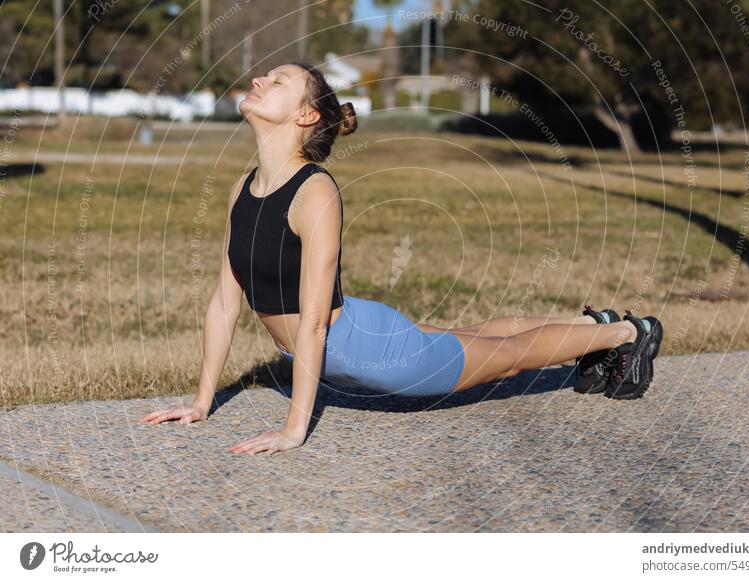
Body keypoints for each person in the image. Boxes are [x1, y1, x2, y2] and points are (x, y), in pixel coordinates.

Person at [138, 62, 664, 455]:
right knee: (482, 335)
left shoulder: (315, 192)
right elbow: (224, 304)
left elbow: (315, 320)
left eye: (277, 82)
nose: (259, 82)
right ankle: (591, 324)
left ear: (305, 115)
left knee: (510, 355)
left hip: (374, 355)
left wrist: (294, 429)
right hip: (360, 330)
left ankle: (627, 335)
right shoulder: (243, 188)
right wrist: (201, 402)